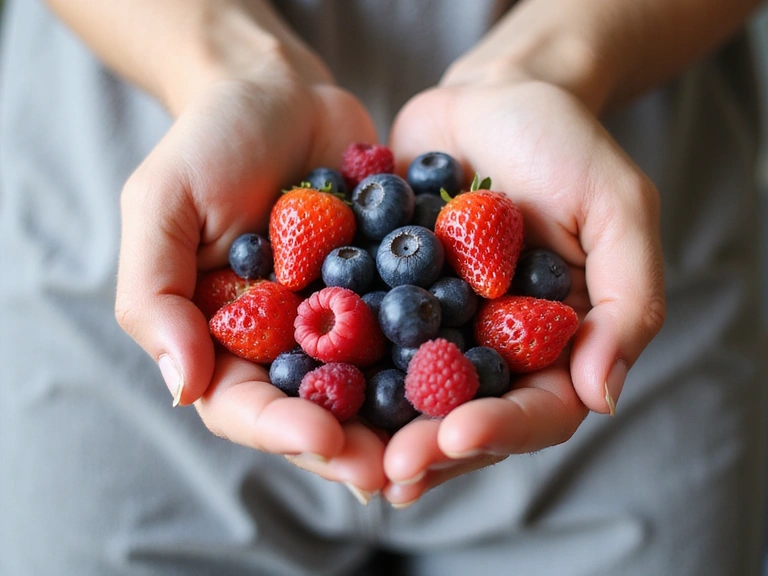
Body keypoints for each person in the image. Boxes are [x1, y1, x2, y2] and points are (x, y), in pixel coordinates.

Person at [0, 0, 764, 574]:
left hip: (606, 241)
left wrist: (550, 64)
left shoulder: (470, 263)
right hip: (120, 249)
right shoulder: (306, 259)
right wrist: (223, 67)